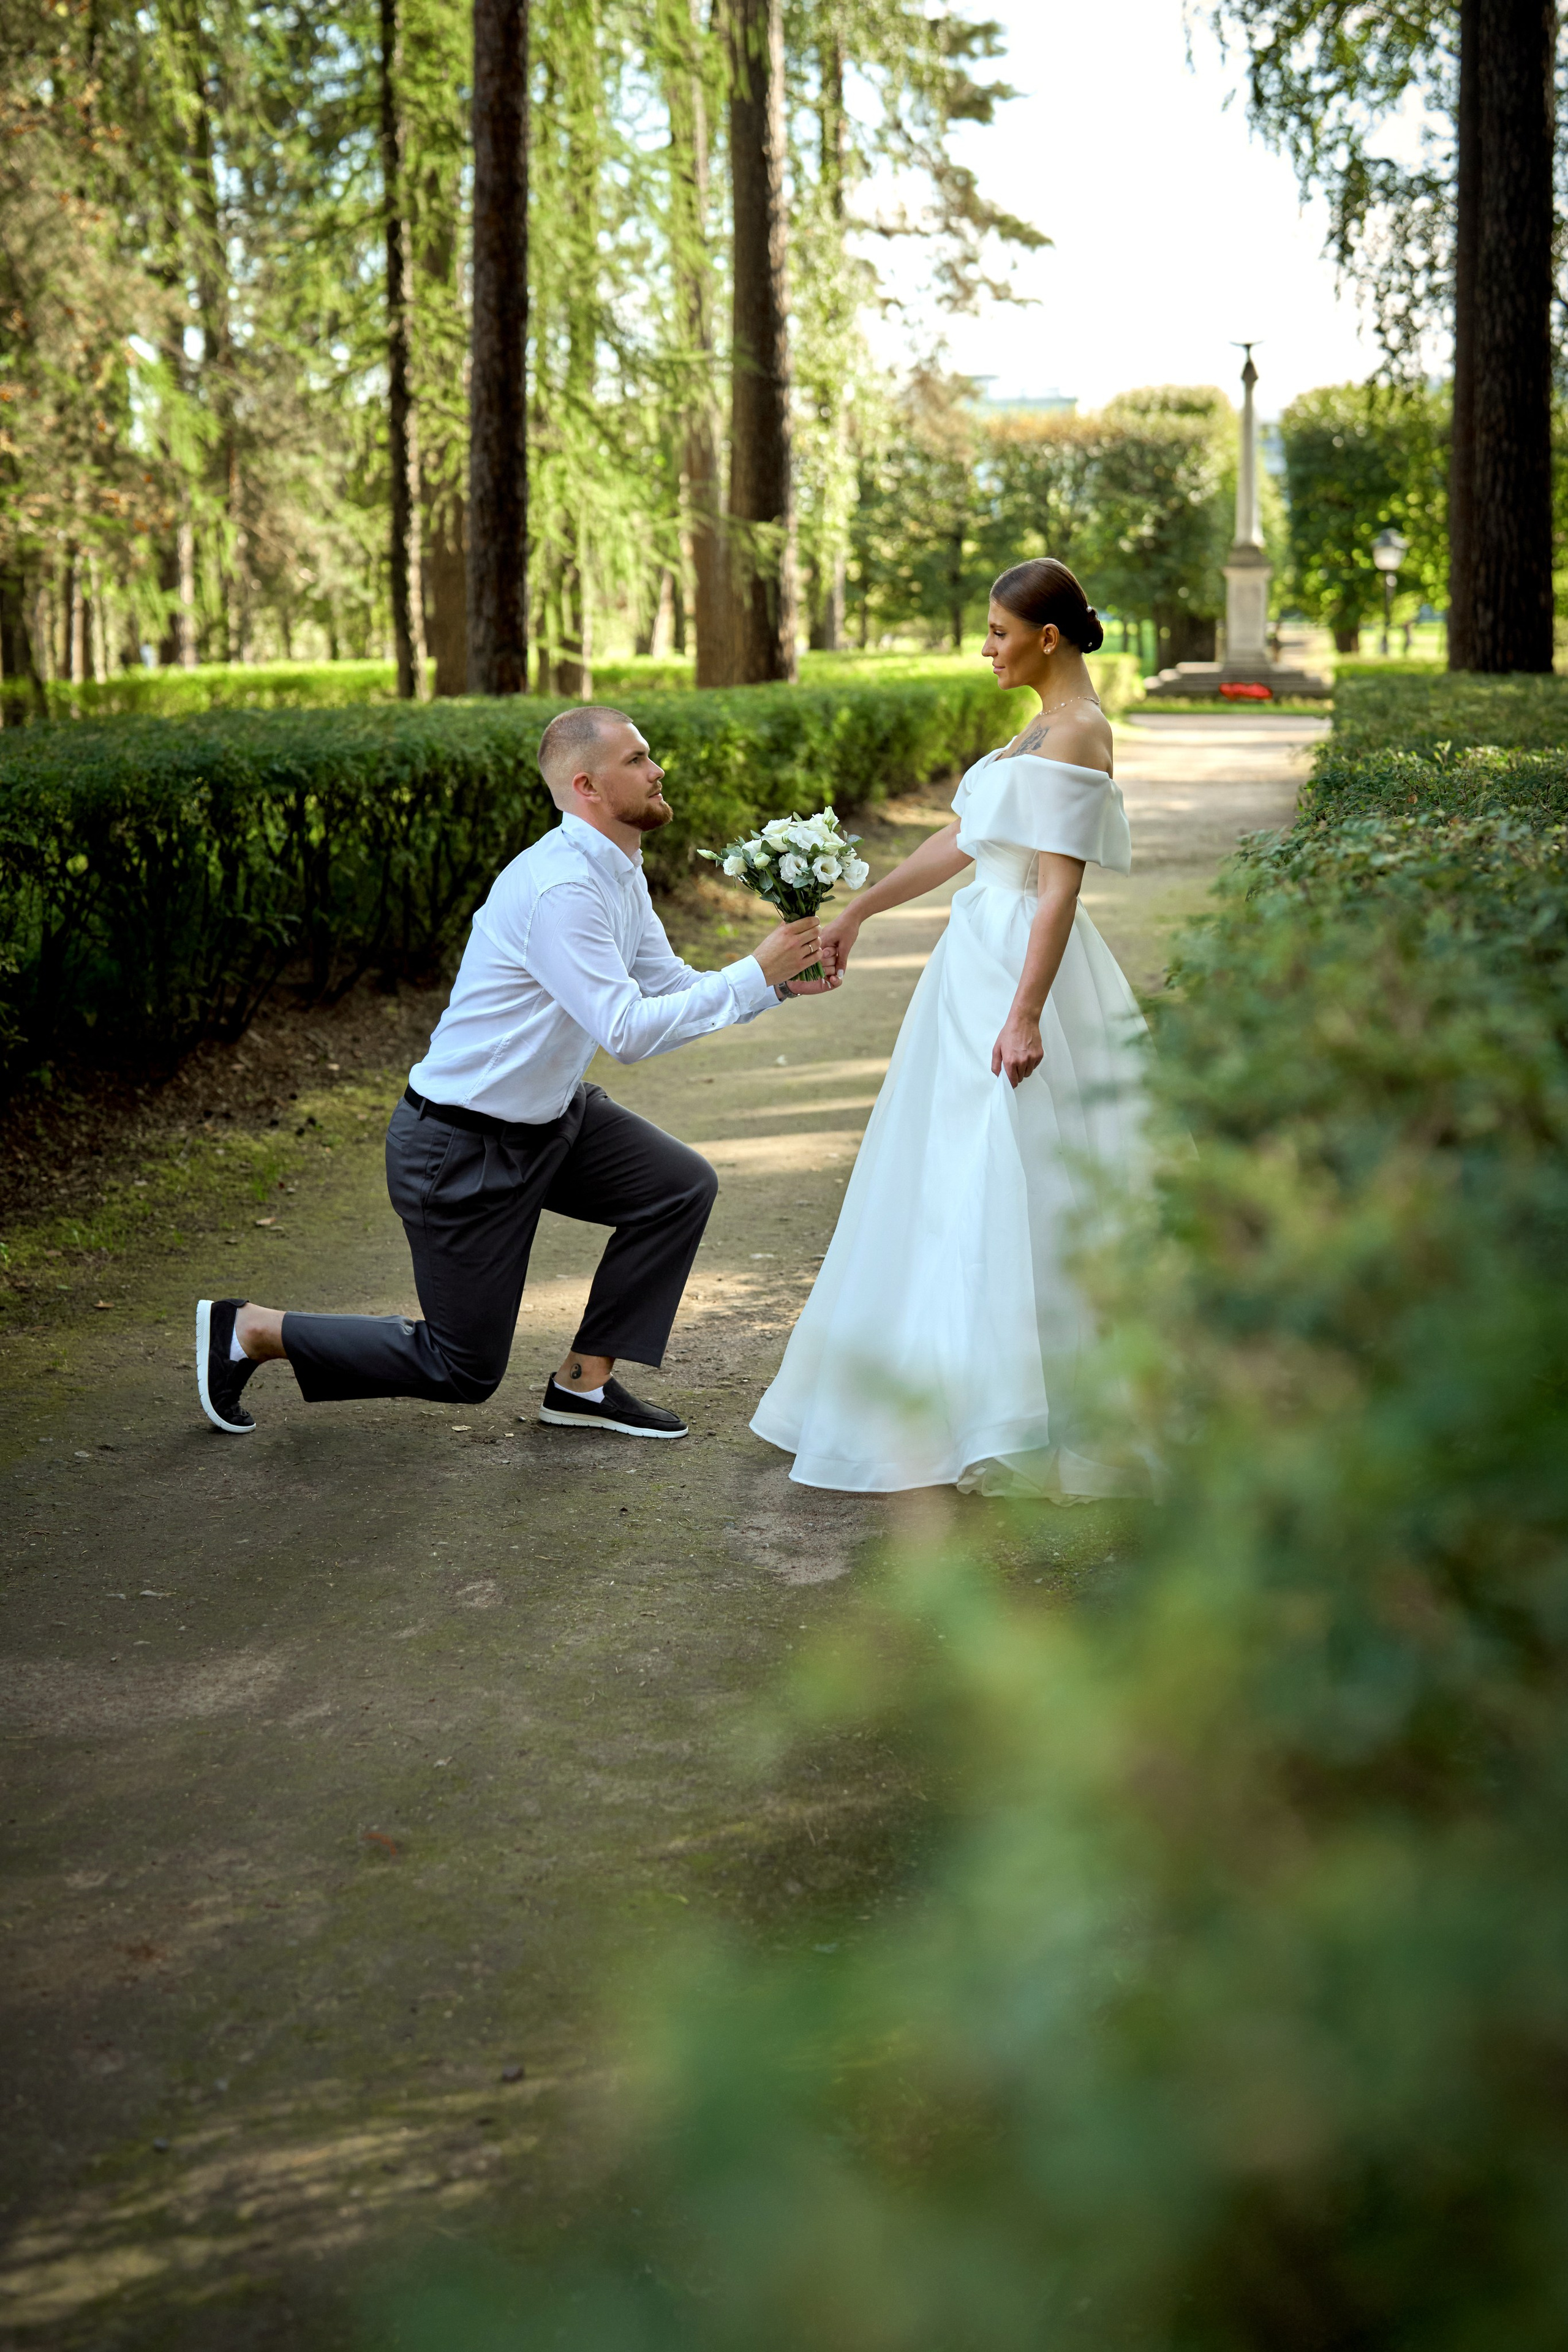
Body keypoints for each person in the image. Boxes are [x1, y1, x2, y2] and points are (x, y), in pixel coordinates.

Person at [197, 706, 832, 1444]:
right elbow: (625, 1031)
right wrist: (756, 969)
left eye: (649, 755)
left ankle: (583, 1386)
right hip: (460, 1148)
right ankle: (251, 1330)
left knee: (676, 1186)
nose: (657, 771)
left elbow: (665, 986)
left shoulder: (618, 869)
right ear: (588, 785)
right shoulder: (561, 890)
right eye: (637, 761)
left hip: (552, 1119)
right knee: (460, 1369)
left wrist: (777, 985)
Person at [751, 559, 1153, 1498]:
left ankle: (1006, 1409)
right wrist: (858, 911)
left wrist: (1024, 1014)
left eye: (999, 633)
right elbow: (967, 841)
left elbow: (1058, 889)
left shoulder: (1081, 733)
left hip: (1018, 967)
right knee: (945, 1168)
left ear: (1047, 638)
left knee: (1006, 1170)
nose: (986, 649)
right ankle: (949, 1389)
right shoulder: (1040, 728)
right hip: (972, 960)